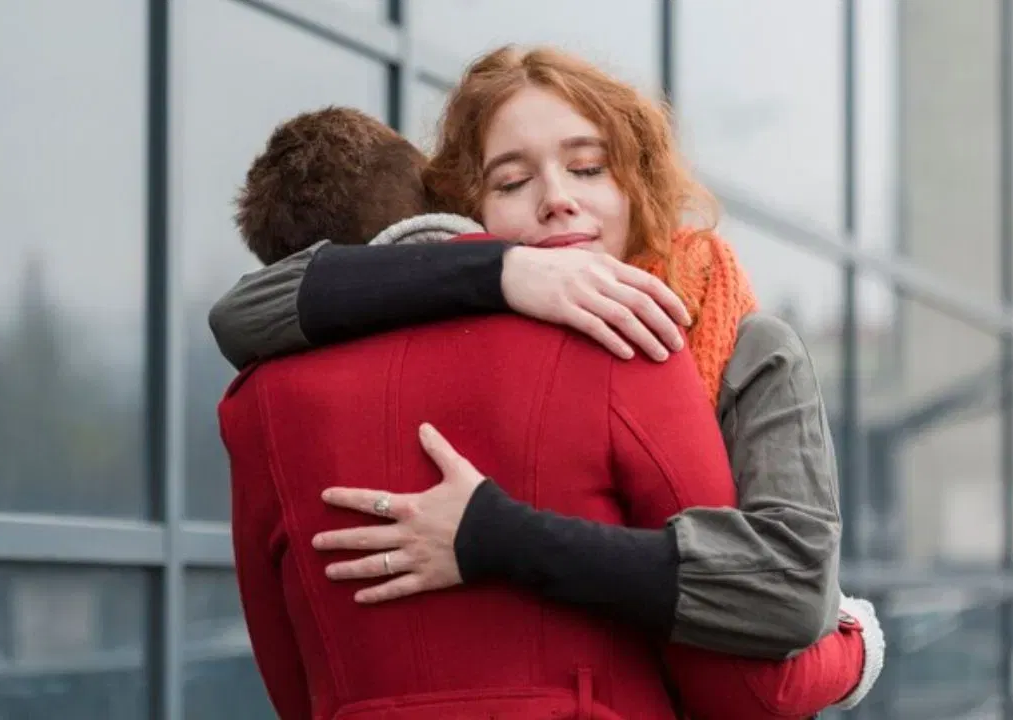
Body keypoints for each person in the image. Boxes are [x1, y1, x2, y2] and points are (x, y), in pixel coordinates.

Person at [218, 45, 887, 710]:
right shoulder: (486, 335)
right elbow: (241, 312)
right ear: (467, 207)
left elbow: (788, 593)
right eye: (511, 183)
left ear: (637, 182)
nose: (557, 200)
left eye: (588, 168)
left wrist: (502, 537)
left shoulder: (748, 347)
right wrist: (502, 271)